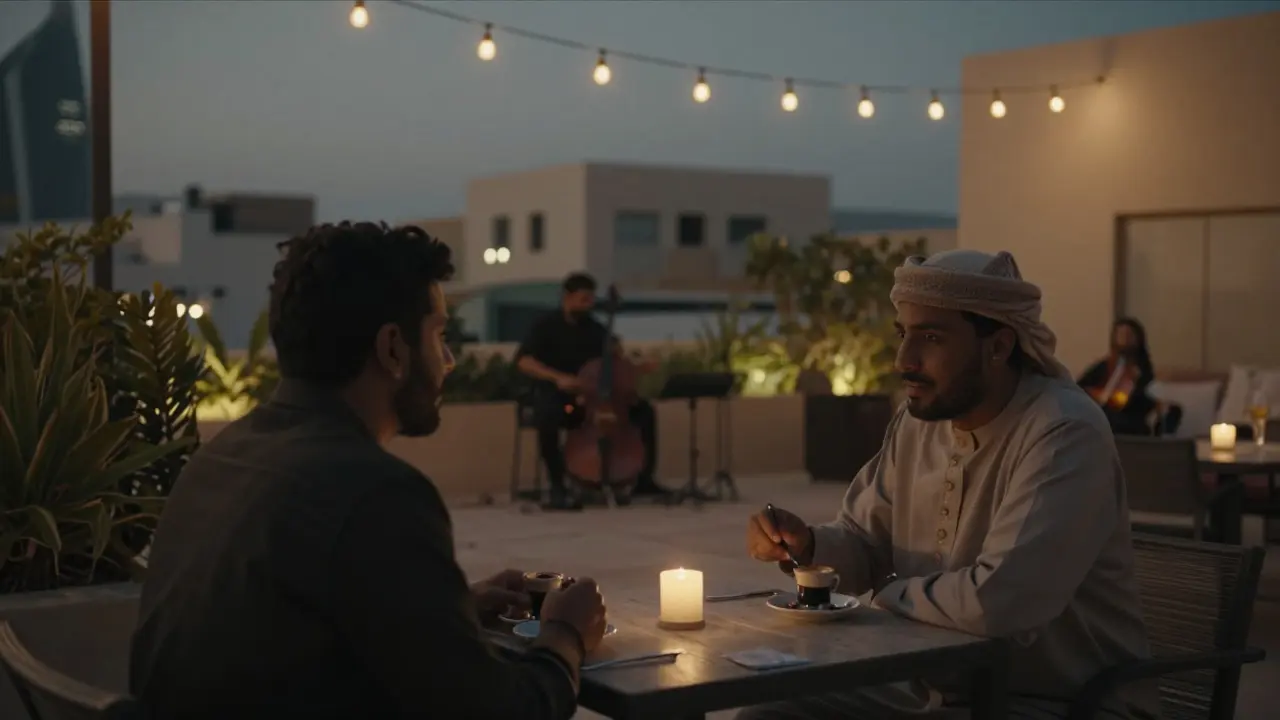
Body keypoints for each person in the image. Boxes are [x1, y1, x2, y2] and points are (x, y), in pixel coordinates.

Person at [130, 222, 607, 719]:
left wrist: (446, 610)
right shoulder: (377, 494)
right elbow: (503, 713)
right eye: (439, 334)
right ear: (393, 348)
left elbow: (295, 631)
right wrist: (564, 635)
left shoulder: (222, 457)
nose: (448, 361)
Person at [741, 250, 1156, 719]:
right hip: (933, 691)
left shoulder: (1063, 431)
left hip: (1058, 702)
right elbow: (865, 541)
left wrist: (889, 592)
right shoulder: (919, 423)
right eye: (904, 335)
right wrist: (809, 546)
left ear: (998, 347)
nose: (904, 360)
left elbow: (1000, 603)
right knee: (770, 714)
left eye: (931, 338)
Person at [514, 272, 666, 510]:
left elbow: (614, 361)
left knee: (645, 412)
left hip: (592, 400)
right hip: (559, 395)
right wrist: (558, 378)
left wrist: (635, 367)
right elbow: (524, 361)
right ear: (567, 297)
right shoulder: (545, 325)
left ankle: (644, 479)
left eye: (590, 300)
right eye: (583, 299)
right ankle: (557, 484)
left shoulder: (595, 328)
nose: (589, 305)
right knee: (548, 415)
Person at [1078, 317, 1179, 436]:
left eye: (1129, 334)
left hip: (1133, 408)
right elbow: (1080, 387)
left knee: (1173, 410)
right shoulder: (1105, 365)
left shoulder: (1141, 367)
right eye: (1121, 334)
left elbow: (1142, 394)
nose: (1125, 338)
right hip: (1107, 410)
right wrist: (1100, 395)